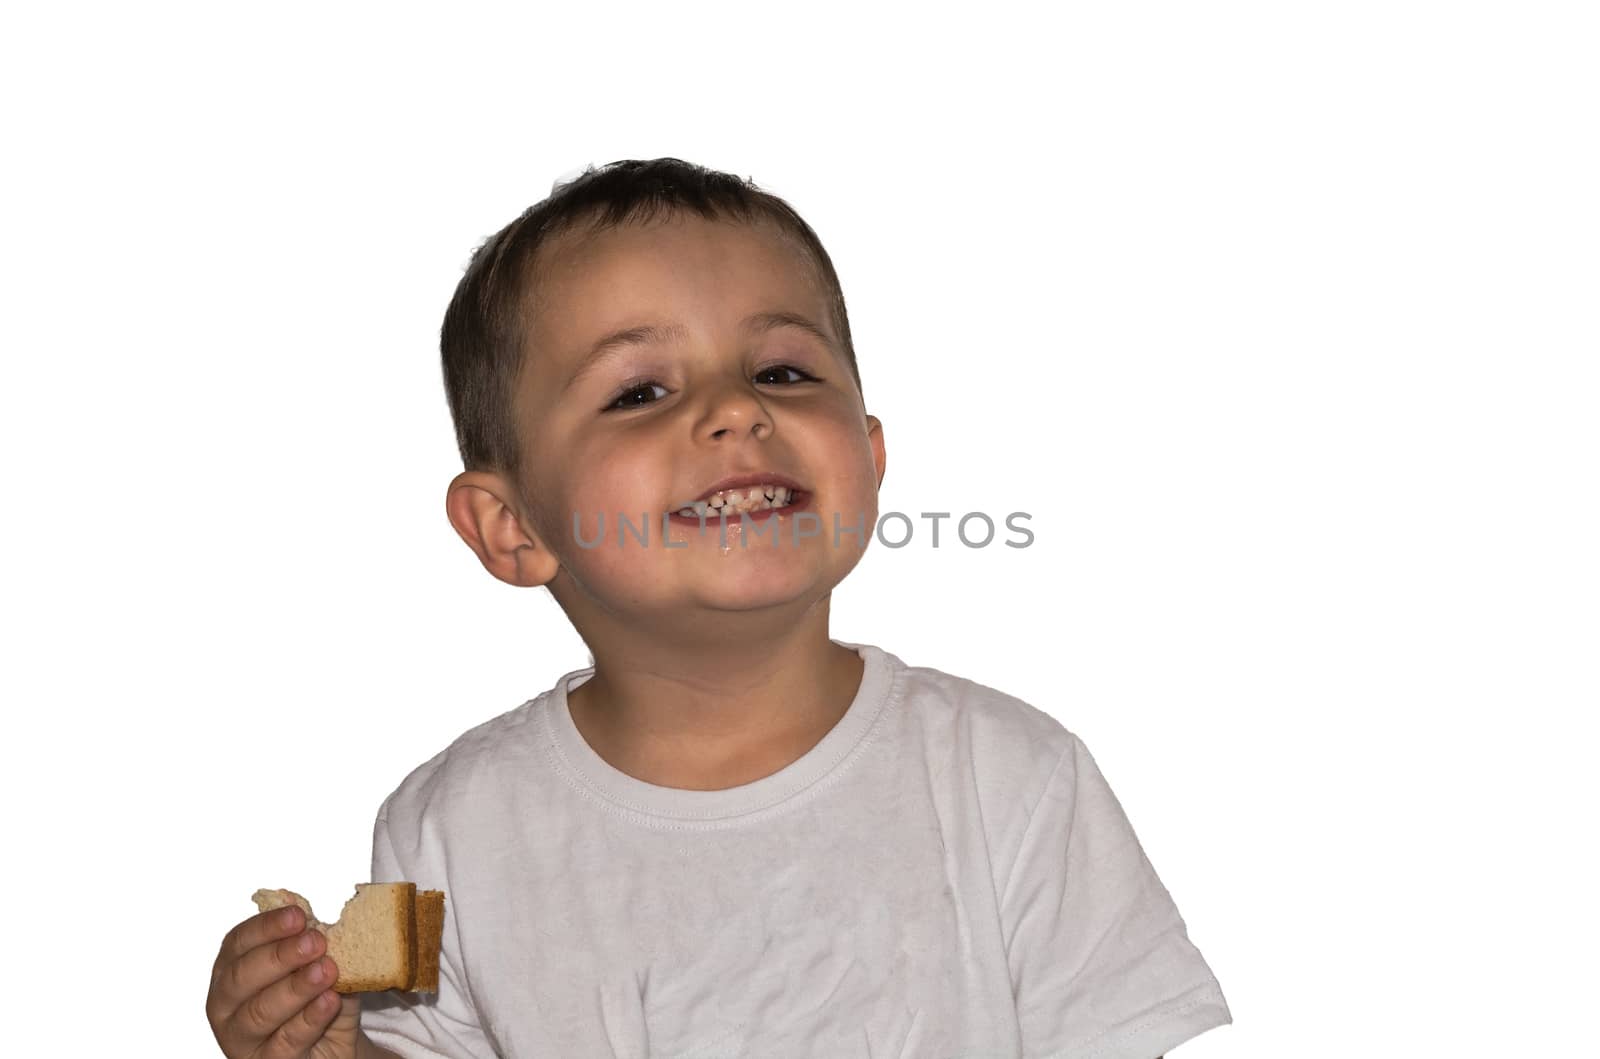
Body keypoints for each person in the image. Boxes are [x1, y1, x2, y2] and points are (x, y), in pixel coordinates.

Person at [206, 157, 1231, 1059]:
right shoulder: (449, 824)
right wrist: (322, 1049)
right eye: (640, 391)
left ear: (868, 460)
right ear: (512, 526)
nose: (738, 407)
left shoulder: (1008, 774)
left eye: (781, 369)